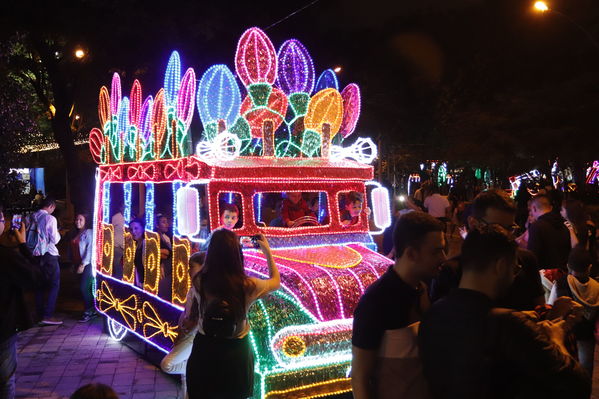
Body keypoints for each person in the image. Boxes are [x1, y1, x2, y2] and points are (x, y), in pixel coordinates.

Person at [419, 226, 589, 399]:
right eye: (514, 269)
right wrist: (556, 339)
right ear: (500, 266)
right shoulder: (509, 324)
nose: (514, 276)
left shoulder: (432, 316)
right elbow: (578, 385)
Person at [351, 212, 446, 399]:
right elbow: (360, 378)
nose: (444, 257)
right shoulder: (376, 302)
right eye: (436, 251)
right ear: (411, 253)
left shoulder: (422, 288)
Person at [186, 229, 280, 399]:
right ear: (237, 254)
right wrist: (267, 251)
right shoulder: (249, 285)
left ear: (211, 252)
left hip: (205, 348)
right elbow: (276, 281)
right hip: (236, 352)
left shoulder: (199, 280)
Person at [430, 190, 545, 311]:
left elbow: (539, 309)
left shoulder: (526, 261)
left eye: (510, 228)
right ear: (473, 223)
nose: (505, 235)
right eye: (496, 228)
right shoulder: (451, 271)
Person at [0, 206, 42, 399]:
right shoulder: (6, 257)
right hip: (3, 329)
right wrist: (23, 246)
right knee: (5, 380)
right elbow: (37, 278)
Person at [549, 248, 599, 377]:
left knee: (567, 370)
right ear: (590, 267)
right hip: (587, 336)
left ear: (568, 266)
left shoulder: (561, 284)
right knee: (585, 370)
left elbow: (551, 306)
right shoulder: (597, 286)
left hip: (566, 336)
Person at [161, 252, 204, 399]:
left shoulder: (203, 290)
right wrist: (180, 330)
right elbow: (186, 313)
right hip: (187, 333)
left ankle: (196, 368)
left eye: (191, 267)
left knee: (167, 364)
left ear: (202, 268)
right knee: (185, 379)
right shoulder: (193, 288)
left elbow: (199, 318)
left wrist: (188, 327)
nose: (188, 270)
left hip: (193, 337)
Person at [30, 196, 63, 325]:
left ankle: (39, 314)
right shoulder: (50, 218)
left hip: (34, 255)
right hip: (49, 255)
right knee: (54, 284)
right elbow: (55, 239)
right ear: (51, 206)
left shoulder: (31, 217)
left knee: (39, 285)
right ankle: (48, 315)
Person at [527, 194, 570, 271]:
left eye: (530, 210)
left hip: (545, 277)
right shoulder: (563, 224)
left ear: (534, 208)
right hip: (563, 274)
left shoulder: (537, 226)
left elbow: (532, 256)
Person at [68, 213, 95, 322]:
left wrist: (83, 264)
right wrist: (72, 264)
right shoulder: (75, 233)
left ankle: (89, 311)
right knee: (84, 288)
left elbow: (90, 250)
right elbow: (71, 250)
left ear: (86, 221)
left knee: (84, 288)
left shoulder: (89, 233)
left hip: (87, 265)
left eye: (80, 219)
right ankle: (89, 309)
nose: (77, 221)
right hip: (77, 264)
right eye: (76, 219)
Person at [157, 214, 173, 300]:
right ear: (157, 225)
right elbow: (166, 252)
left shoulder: (168, 237)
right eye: (163, 222)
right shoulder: (156, 237)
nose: (167, 224)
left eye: (167, 222)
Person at [129, 219, 145, 288]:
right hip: (140, 283)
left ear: (142, 228)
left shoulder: (145, 243)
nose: (133, 232)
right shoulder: (137, 244)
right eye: (131, 229)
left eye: (136, 228)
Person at [111, 203, 125, 279]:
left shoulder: (131, 217)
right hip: (117, 247)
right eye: (124, 206)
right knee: (117, 268)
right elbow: (111, 230)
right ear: (121, 207)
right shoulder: (116, 217)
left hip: (127, 248)